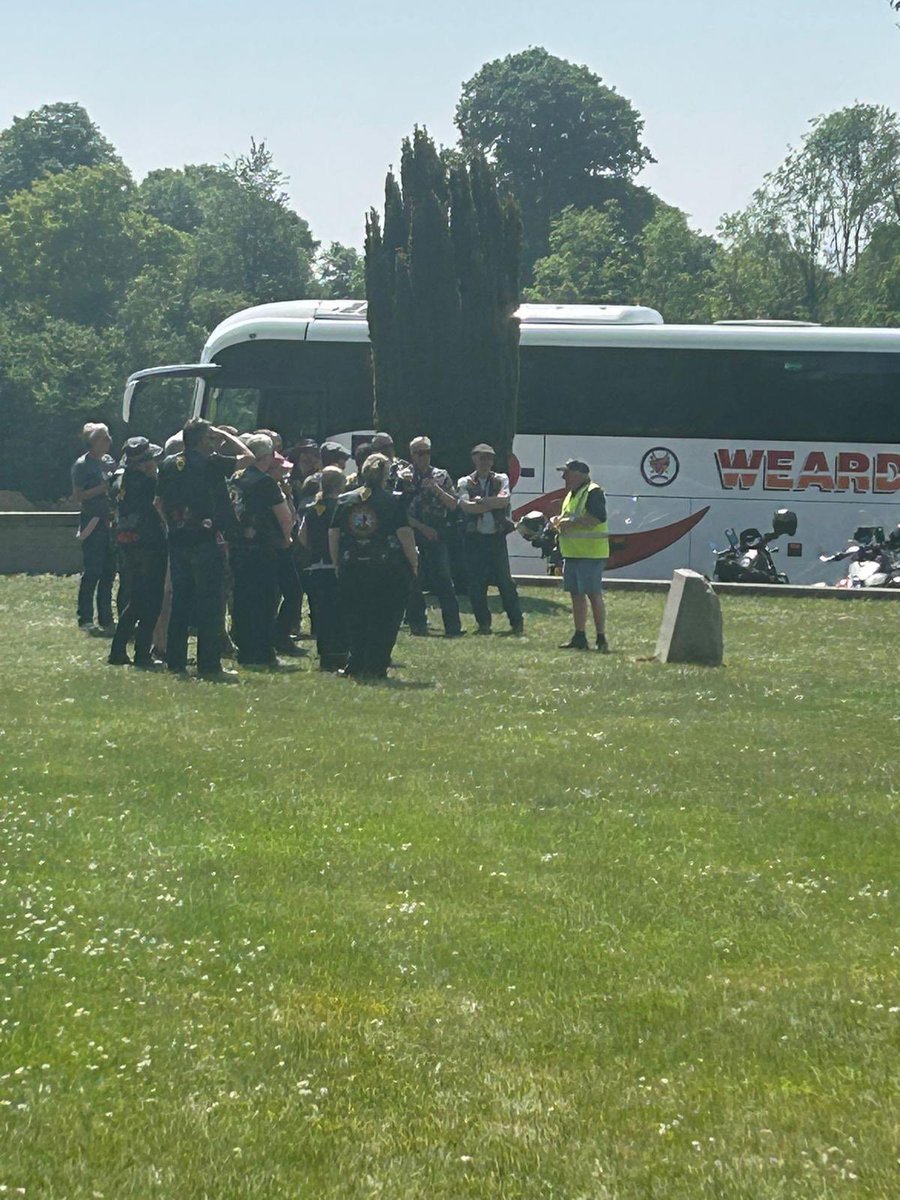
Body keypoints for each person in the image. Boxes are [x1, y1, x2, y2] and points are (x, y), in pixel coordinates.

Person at [156, 418, 252, 677]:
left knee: (181, 602)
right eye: (209, 437)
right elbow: (248, 457)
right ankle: (209, 665)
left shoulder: (167, 464)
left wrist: (174, 526)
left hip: (178, 540)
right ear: (200, 440)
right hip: (205, 540)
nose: (214, 442)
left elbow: (158, 503)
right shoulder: (210, 463)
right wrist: (226, 435)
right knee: (210, 603)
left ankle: (175, 661)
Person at [328, 453, 418, 679]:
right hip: (386, 569)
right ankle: (376, 665)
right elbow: (405, 535)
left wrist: (336, 562)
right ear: (386, 475)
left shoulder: (345, 500)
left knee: (356, 617)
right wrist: (413, 564)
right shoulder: (392, 502)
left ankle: (355, 663)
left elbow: (334, 534)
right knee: (385, 618)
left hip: (352, 566)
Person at [229, 434, 295, 666]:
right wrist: (286, 538)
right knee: (265, 601)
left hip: (238, 546)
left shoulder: (235, 478)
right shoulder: (265, 482)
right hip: (262, 547)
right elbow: (284, 516)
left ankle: (243, 648)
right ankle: (264, 652)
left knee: (241, 599)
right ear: (265, 457)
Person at [107, 438, 167, 667]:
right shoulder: (148, 484)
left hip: (126, 543)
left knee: (136, 598)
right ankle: (141, 654)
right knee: (150, 601)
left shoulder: (118, 480)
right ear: (144, 463)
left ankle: (119, 650)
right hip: (149, 544)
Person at [457, 443, 523, 636]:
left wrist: (482, 501)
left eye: (489, 458)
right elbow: (466, 507)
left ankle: (516, 623)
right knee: (476, 584)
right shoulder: (464, 481)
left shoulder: (501, 478)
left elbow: (504, 500)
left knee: (505, 582)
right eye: (481, 458)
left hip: (496, 538)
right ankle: (483, 624)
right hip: (474, 539)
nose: (485, 462)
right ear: (474, 459)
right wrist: (490, 504)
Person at [405, 435, 463, 637]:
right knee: (414, 581)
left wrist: (437, 489)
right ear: (412, 455)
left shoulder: (441, 475)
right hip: (413, 532)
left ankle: (453, 626)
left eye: (427, 452)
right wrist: (421, 528)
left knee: (444, 579)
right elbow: (399, 511)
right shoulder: (404, 477)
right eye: (420, 453)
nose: (424, 457)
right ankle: (417, 624)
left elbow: (454, 504)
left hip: (438, 533)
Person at [553, 458, 610, 652]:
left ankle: (601, 638)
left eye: (566, 473)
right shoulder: (572, 494)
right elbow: (572, 518)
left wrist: (570, 523)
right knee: (576, 595)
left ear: (579, 474)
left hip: (591, 553)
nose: (563, 477)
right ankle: (579, 637)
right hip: (572, 553)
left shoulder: (593, 491)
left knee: (593, 595)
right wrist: (559, 521)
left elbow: (598, 517)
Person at [298, 465, 350, 671]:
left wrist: (313, 548)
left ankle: (325, 653)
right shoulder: (343, 506)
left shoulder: (312, 509)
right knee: (340, 611)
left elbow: (302, 536)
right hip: (335, 565)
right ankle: (341, 652)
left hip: (316, 565)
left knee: (321, 612)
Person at [71, 422, 117, 632]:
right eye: (103, 437)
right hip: (93, 522)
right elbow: (78, 496)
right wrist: (102, 488)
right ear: (93, 442)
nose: (108, 441)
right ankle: (85, 618)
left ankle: (106, 618)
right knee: (93, 571)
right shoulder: (82, 465)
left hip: (110, 521)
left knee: (109, 571)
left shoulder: (109, 462)